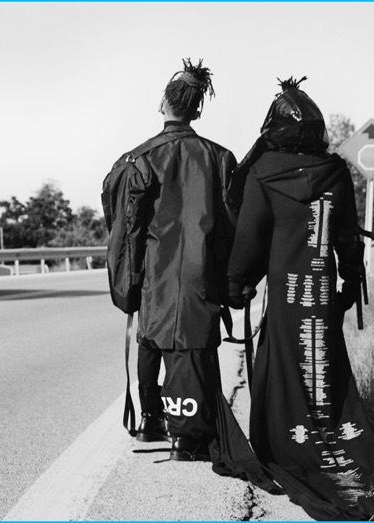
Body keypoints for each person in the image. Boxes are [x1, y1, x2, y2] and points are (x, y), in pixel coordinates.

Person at [227, 77, 374, 519]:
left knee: (285, 371)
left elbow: (250, 240)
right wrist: (350, 281)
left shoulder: (262, 171)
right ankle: (335, 441)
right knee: (324, 369)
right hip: (322, 294)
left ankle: (290, 443)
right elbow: (348, 237)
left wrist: (236, 285)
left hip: (287, 296)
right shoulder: (334, 171)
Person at [112, 58, 239, 461]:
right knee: (198, 346)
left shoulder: (139, 158)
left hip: (156, 271)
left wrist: (127, 282)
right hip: (202, 271)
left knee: (150, 337)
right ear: (198, 108)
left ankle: (150, 420)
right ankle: (191, 432)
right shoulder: (220, 158)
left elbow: (126, 226)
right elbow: (233, 224)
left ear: (163, 104)